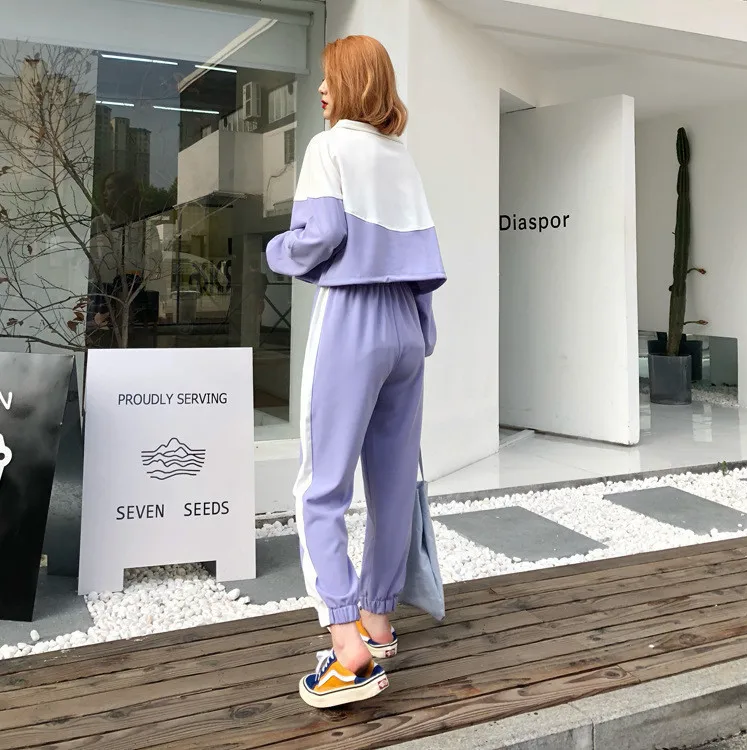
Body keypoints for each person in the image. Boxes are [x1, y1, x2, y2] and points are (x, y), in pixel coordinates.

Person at [266, 35, 446, 709]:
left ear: (354, 81)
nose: (321, 89)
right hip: (407, 326)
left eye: (329, 77)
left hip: (351, 320)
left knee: (321, 485)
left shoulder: (329, 147)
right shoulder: (401, 156)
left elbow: (319, 237)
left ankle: (348, 649)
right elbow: (424, 261)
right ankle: (378, 619)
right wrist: (421, 333)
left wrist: (275, 252)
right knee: (393, 482)